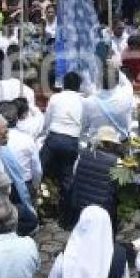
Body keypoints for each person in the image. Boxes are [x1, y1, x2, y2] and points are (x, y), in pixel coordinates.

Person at [40, 72, 83, 213]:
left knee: (39, 171)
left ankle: (40, 204)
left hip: (54, 138)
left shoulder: (55, 98)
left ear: (64, 84)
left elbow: (47, 121)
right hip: (71, 140)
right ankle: (68, 212)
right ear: (79, 86)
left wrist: (45, 134)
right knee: (67, 177)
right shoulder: (83, 100)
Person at [67, 126, 123, 231]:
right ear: (111, 143)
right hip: (103, 208)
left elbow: (75, 174)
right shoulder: (117, 161)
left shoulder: (82, 154)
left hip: (81, 205)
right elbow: (119, 185)